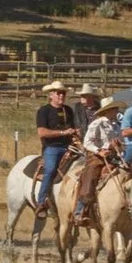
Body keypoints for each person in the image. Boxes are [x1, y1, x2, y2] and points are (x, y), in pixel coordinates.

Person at [72, 93, 124, 227]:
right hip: (97, 157)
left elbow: (122, 142)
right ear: (108, 111)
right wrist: (99, 151)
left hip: (114, 156)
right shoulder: (97, 124)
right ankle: (80, 209)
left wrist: (119, 146)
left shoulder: (116, 126)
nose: (117, 111)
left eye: (117, 108)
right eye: (115, 109)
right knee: (90, 176)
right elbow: (87, 142)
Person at [33, 81, 79, 211]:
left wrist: (75, 134)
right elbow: (42, 132)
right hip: (52, 147)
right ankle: (41, 201)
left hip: (70, 146)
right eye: (58, 93)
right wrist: (63, 133)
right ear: (51, 95)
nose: (61, 96)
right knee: (50, 170)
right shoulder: (44, 111)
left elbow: (72, 127)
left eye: (63, 93)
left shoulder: (68, 110)